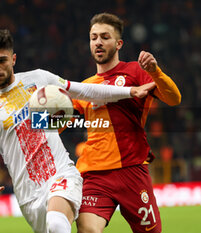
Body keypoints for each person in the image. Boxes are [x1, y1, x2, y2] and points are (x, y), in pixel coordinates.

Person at [0, 29, 156, 233]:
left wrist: (130, 91)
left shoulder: (38, 79)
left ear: (13, 59)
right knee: (54, 226)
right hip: (29, 195)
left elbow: (86, 90)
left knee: (57, 223)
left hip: (61, 173)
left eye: (1, 60)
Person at [74, 13, 182, 233]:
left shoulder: (135, 71)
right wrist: (42, 105)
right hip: (95, 176)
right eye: (93, 37)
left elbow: (174, 99)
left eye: (105, 37)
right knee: (88, 231)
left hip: (132, 171)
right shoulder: (84, 87)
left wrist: (155, 71)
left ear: (118, 43)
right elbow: (52, 125)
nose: (98, 42)